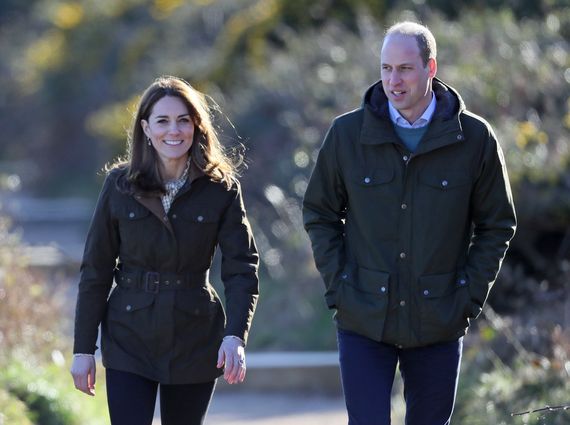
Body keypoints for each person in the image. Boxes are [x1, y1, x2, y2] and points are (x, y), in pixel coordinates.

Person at [303, 21, 516, 425]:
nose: (393, 81)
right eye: (386, 68)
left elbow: (497, 225)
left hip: (439, 319)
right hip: (363, 316)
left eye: (405, 69)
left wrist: (466, 298)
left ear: (431, 68)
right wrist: (340, 287)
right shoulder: (347, 135)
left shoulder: (474, 139)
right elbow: (319, 213)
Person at [70, 76, 259, 425]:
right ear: (145, 127)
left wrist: (235, 336)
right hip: (129, 333)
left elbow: (242, 267)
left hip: (195, 333)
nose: (174, 131)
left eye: (183, 120)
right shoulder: (119, 184)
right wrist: (83, 349)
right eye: (162, 121)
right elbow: (95, 269)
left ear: (196, 126)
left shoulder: (221, 189)